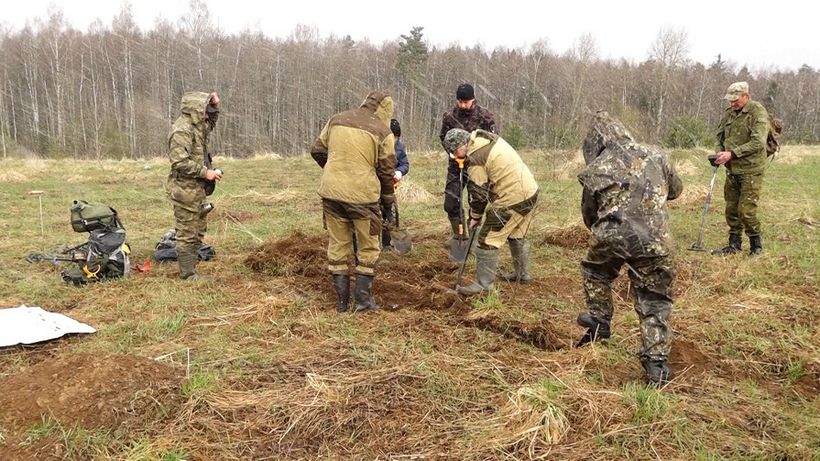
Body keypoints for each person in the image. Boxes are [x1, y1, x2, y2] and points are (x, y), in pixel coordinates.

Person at [574, 111, 683, 385]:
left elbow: (589, 214)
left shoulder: (596, 167)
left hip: (611, 237)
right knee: (655, 298)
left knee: (595, 272)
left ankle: (599, 322)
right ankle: (656, 364)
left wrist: (609, 231)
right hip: (655, 241)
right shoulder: (656, 155)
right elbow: (675, 190)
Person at [310, 91, 396, 313]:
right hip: (363, 197)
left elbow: (317, 150)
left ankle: (341, 304)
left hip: (331, 193)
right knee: (368, 247)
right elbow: (387, 173)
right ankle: (363, 302)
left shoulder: (336, 119)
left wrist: (335, 170)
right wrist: (388, 202)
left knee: (338, 245)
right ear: (386, 111)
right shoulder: (383, 131)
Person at [442, 128, 538, 296]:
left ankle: (484, 286)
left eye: (453, 152)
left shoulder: (475, 157)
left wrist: (475, 217)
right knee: (516, 233)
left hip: (512, 198)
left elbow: (479, 194)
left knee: (486, 240)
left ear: (461, 146)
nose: (455, 157)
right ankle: (522, 274)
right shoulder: (481, 137)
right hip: (530, 192)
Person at [166, 91, 222, 280]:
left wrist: (215, 105)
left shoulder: (197, 125)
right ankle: (188, 274)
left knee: (198, 229)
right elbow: (179, 162)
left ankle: (191, 266)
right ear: (195, 110)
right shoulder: (182, 130)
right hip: (185, 190)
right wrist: (205, 173)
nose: (207, 114)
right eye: (205, 109)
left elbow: (210, 123)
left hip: (196, 189)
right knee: (187, 232)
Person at [713, 81, 770, 256]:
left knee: (746, 210)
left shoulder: (757, 112)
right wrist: (719, 153)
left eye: (735, 100)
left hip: (751, 169)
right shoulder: (729, 113)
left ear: (746, 95)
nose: (732, 103)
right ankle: (734, 244)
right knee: (731, 209)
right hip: (732, 170)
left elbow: (757, 142)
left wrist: (732, 154)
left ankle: (756, 246)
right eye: (730, 100)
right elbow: (719, 135)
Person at [439, 83, 497, 248]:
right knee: (451, 203)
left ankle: (473, 238)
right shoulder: (449, 116)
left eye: (466, 102)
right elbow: (443, 137)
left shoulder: (485, 116)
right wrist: (452, 153)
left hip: (477, 166)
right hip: (455, 165)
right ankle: (459, 236)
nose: (463, 105)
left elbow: (493, 141)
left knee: (477, 202)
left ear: (473, 99)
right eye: (460, 101)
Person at [381, 118, 410, 253]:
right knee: (375, 215)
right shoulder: (377, 146)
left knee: (390, 214)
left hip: (390, 187)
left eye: (396, 137)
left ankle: (387, 244)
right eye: (392, 137)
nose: (394, 140)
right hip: (375, 186)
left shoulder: (399, 147)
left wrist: (399, 171)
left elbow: (405, 164)